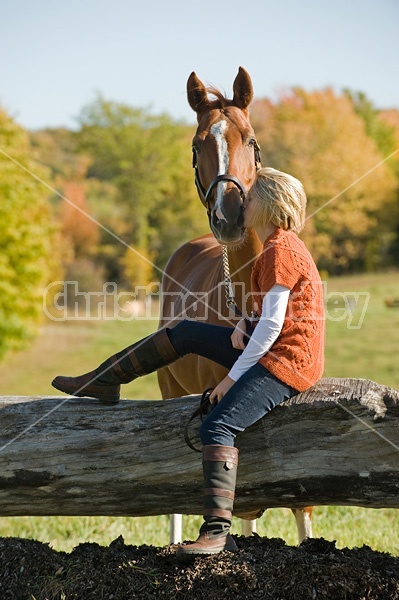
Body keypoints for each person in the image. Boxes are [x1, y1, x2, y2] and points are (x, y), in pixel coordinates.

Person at [52, 167, 325, 558]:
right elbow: (266, 314)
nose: (241, 205)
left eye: (249, 198)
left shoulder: (281, 249)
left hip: (286, 362)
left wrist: (232, 378)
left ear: (267, 205)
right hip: (270, 348)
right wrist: (245, 321)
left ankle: (216, 534)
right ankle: (104, 379)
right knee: (185, 332)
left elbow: (273, 329)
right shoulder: (272, 248)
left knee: (217, 426)